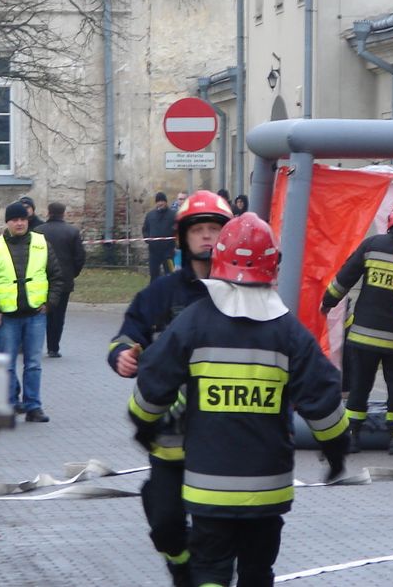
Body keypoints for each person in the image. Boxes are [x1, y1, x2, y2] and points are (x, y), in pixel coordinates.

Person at [129, 212, 349, 587]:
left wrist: (144, 425)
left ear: (219, 259)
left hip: (207, 485)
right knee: (257, 573)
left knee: (211, 571)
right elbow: (324, 399)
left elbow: (153, 382)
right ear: (273, 265)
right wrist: (336, 452)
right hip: (268, 488)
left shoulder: (195, 322)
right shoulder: (288, 331)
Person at [108, 190, 233, 587]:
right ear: (183, 237)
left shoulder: (242, 293)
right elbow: (128, 334)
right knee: (164, 523)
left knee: (220, 536)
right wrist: (123, 354)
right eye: (200, 229)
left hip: (224, 442)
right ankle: (181, 567)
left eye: (215, 228)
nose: (208, 237)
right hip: (169, 439)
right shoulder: (161, 294)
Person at [321, 200, 393, 455]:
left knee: (359, 388)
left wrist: (327, 302)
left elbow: (346, 277)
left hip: (363, 336)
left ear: (391, 224)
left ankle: (353, 437)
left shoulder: (372, 245)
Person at [0, 201, 63, 422]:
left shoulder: (41, 243)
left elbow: (56, 276)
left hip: (35, 314)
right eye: (15, 220)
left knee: (33, 364)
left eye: (23, 219)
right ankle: (8, 405)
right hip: (7, 316)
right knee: (6, 365)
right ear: (7, 222)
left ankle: (33, 406)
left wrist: (50, 303)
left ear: (28, 221)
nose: (19, 223)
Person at [39, 201, 87, 358]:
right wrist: (73, 273)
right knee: (59, 315)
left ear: (48, 212)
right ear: (63, 213)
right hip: (64, 279)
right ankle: (53, 347)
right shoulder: (71, 232)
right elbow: (80, 256)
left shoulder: (38, 231)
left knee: (42, 312)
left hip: (41, 279)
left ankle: (37, 344)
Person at [142, 191, 176, 280]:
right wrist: (148, 240)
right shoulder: (150, 215)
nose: (160, 203)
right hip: (154, 251)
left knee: (170, 275)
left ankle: (170, 292)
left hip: (168, 252)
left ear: (166, 202)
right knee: (154, 275)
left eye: (162, 201)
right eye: (158, 201)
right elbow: (145, 229)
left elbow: (178, 230)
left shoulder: (173, 215)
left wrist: (174, 242)